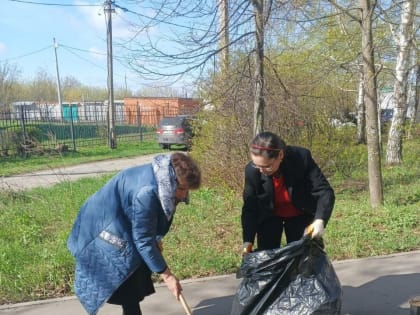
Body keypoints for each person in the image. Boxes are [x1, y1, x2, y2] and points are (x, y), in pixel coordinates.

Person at [67, 152, 201, 315]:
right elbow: (143, 240)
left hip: (121, 224)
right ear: (172, 181)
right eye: (183, 189)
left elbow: (147, 220)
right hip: (101, 229)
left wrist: (154, 237)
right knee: (128, 280)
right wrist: (168, 276)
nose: (184, 195)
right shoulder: (147, 192)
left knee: (134, 278)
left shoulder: (163, 177)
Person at [241, 131, 335, 254]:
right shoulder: (252, 171)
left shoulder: (301, 158)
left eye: (267, 166)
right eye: (257, 165)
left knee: (303, 257)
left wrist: (319, 220)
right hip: (269, 216)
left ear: (280, 155)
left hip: (300, 212)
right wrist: (248, 240)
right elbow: (250, 207)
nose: (261, 171)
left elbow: (324, 191)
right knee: (267, 257)